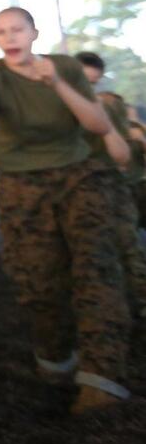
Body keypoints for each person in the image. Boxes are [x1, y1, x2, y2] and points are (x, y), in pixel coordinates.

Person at [0, 8, 129, 412]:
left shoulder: (66, 69)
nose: (10, 37)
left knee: (96, 270)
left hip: (78, 178)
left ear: (34, 33)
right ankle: (56, 357)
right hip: (22, 185)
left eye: (17, 29)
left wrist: (56, 83)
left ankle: (102, 378)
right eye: (1, 31)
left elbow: (97, 125)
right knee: (38, 280)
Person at [73, 51, 146, 317]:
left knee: (127, 247)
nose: (87, 87)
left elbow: (123, 149)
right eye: (83, 80)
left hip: (111, 185)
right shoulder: (51, 104)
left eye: (92, 83)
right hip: (74, 188)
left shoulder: (107, 104)